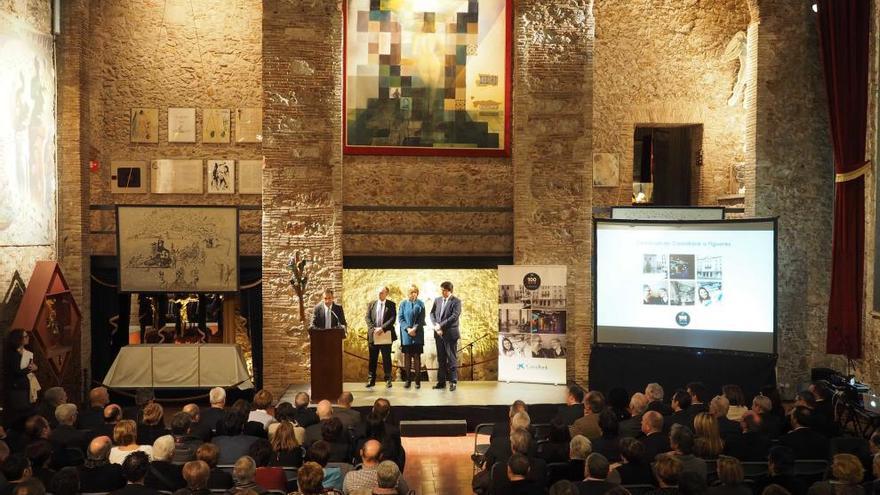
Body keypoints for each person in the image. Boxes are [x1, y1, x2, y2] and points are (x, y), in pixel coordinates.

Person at [342, 440, 409, 494]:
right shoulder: (393, 474)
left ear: (361, 452)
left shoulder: (350, 477)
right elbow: (406, 492)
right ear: (381, 456)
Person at [430, 281, 461, 391]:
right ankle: (441, 382)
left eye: (444, 290)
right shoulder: (437, 300)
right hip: (438, 334)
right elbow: (432, 314)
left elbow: (454, 316)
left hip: (450, 334)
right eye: (441, 289)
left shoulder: (456, 301)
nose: (442, 292)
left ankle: (453, 381)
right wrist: (435, 326)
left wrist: (440, 326)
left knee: (451, 358)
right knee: (441, 359)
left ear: (449, 291)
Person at [365, 286, 397, 389]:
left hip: (385, 335)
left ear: (386, 294)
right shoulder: (372, 304)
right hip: (373, 335)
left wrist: (382, 328)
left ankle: (388, 379)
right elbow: (367, 317)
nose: (380, 294)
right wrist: (373, 328)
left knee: (386, 358)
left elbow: (392, 318)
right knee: (373, 358)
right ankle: (371, 379)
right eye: (378, 292)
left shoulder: (391, 305)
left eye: (382, 292)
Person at [4, 330, 37, 423]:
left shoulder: (28, 352)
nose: (28, 338)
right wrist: (30, 369)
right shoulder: (13, 354)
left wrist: (34, 367)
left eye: (27, 336)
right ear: (18, 339)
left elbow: (30, 366)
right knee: (22, 412)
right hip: (17, 388)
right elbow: (17, 371)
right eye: (25, 336)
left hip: (27, 385)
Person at [397, 285, 425, 389]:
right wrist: (408, 329)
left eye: (415, 292)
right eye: (411, 292)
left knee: (417, 358)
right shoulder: (403, 304)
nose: (413, 294)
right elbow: (400, 318)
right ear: (407, 293)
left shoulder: (421, 304)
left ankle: (417, 381)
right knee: (407, 358)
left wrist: (415, 329)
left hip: (417, 335)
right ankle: (408, 380)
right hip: (406, 335)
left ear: (417, 293)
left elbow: (421, 319)